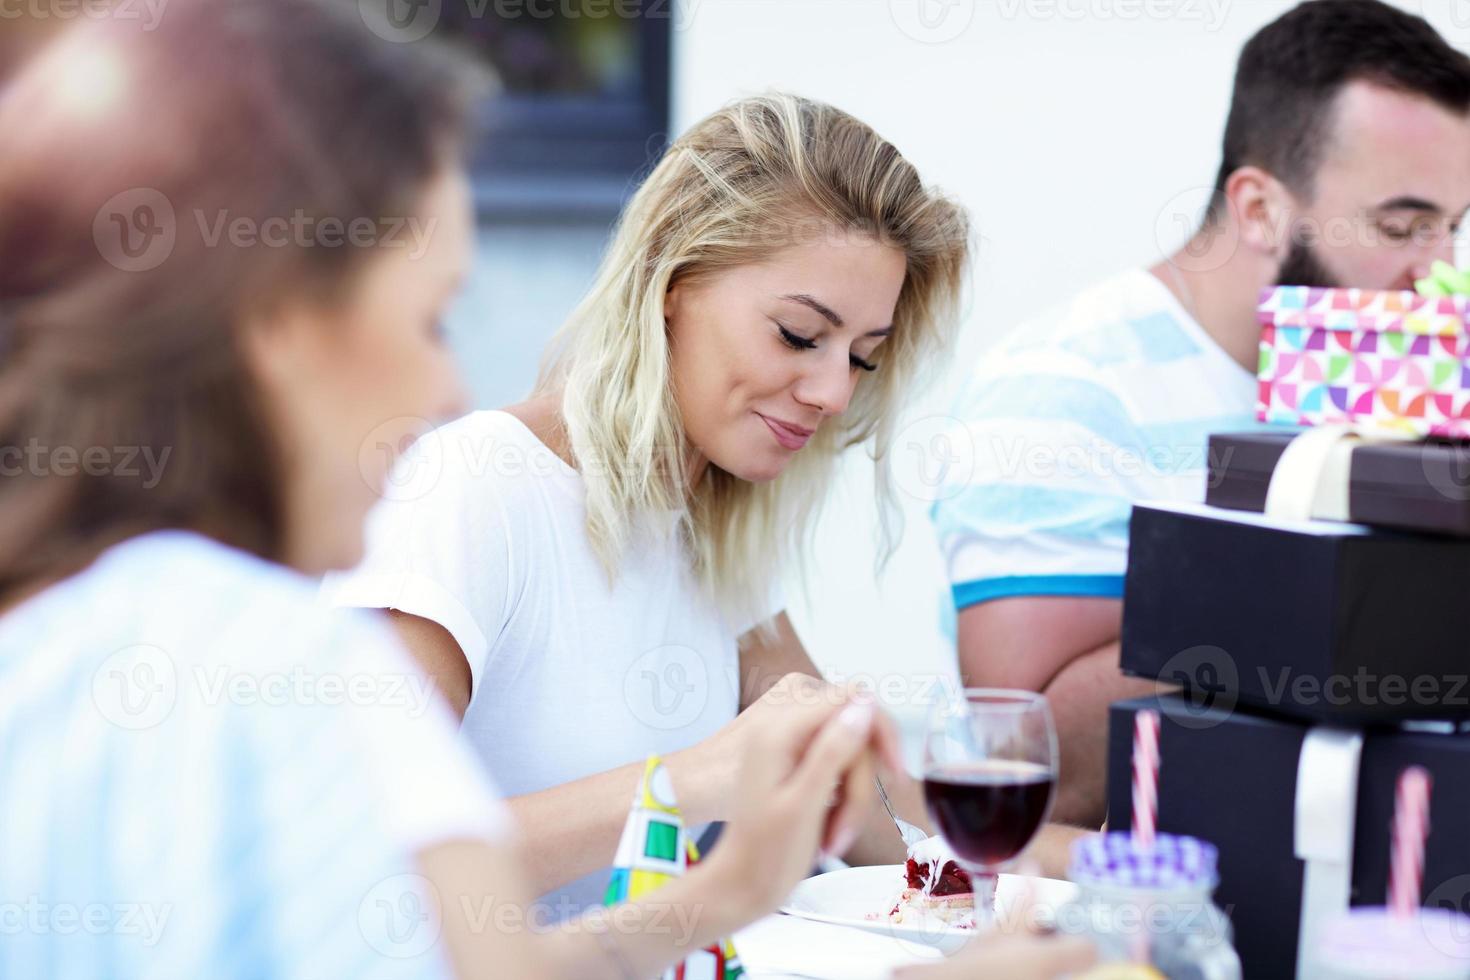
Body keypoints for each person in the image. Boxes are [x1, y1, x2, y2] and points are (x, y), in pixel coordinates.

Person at [0, 4, 914, 977]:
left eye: (861, 357)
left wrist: (729, 890)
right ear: (279, 325)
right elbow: (413, 897)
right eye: (432, 318)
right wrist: (688, 787)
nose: (447, 389)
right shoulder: (290, 637)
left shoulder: (84, 649)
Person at [323, 91, 1014, 908]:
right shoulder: (475, 489)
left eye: (863, 357)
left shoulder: (712, 536)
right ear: (671, 281)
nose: (833, 391)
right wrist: (687, 783)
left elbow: (880, 829)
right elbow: (360, 855)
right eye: (799, 334)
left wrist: (1066, 872)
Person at [928, 0, 1470, 828]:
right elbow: (1036, 763)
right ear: (1257, 209)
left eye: (1452, 230)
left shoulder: (1412, 394)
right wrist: (1341, 583)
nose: (1435, 272)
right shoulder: (1065, 389)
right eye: (1403, 226)